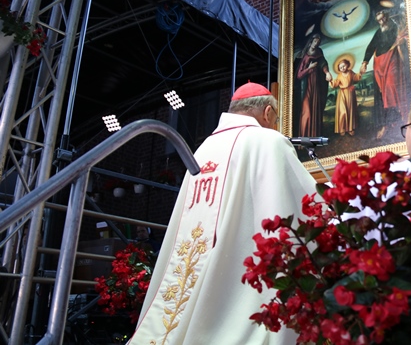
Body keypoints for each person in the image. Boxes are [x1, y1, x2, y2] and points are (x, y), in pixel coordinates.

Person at [129, 82, 317, 345]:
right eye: (275, 119)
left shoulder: (202, 149)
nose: (274, 125)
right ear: (267, 113)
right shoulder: (268, 140)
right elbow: (299, 203)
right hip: (243, 268)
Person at [360, 10, 410, 139]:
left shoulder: (396, 27)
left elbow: (403, 39)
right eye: (379, 20)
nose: (382, 21)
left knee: (391, 87)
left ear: (387, 17)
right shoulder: (379, 32)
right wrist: (365, 62)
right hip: (379, 64)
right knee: (382, 94)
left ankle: (400, 117)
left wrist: (401, 42)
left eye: (383, 18)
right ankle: (388, 123)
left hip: (392, 59)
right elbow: (371, 46)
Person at [296, 34, 331, 136]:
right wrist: (309, 68)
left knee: (315, 109)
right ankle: (304, 136)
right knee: (307, 112)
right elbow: (299, 75)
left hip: (317, 85)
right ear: (310, 42)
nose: (316, 44)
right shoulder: (304, 55)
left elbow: (323, 63)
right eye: (315, 41)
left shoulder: (319, 52)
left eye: (318, 42)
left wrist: (327, 73)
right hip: (307, 87)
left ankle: (314, 134)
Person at [328, 57, 361, 136]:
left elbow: (356, 78)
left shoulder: (351, 72)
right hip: (342, 94)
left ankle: (350, 128)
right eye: (340, 67)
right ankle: (342, 128)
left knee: (350, 110)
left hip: (350, 93)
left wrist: (360, 73)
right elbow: (335, 83)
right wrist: (330, 80)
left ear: (347, 65)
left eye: (344, 66)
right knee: (343, 111)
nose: (342, 68)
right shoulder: (339, 75)